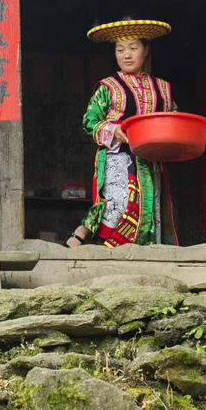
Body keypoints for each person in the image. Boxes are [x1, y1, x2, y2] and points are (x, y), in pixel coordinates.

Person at [66, 18, 176, 248]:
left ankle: (143, 253)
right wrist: (114, 130)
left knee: (149, 208)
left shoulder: (162, 88)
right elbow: (89, 122)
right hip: (118, 157)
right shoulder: (108, 87)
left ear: (145, 50)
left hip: (150, 161)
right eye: (120, 49)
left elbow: (173, 120)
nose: (126, 55)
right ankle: (86, 236)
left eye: (133, 48)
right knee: (117, 204)